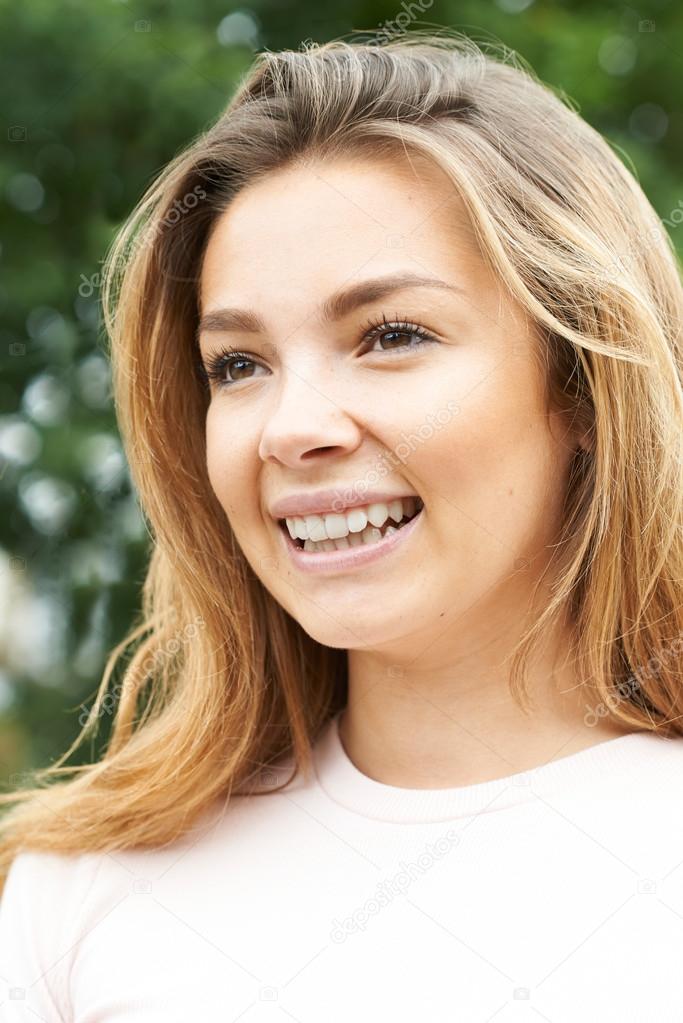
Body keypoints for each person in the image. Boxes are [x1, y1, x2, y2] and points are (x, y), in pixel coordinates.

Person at [2, 30, 683, 1021]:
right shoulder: (79, 894)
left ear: (580, 387)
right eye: (237, 364)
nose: (292, 428)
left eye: (390, 335)